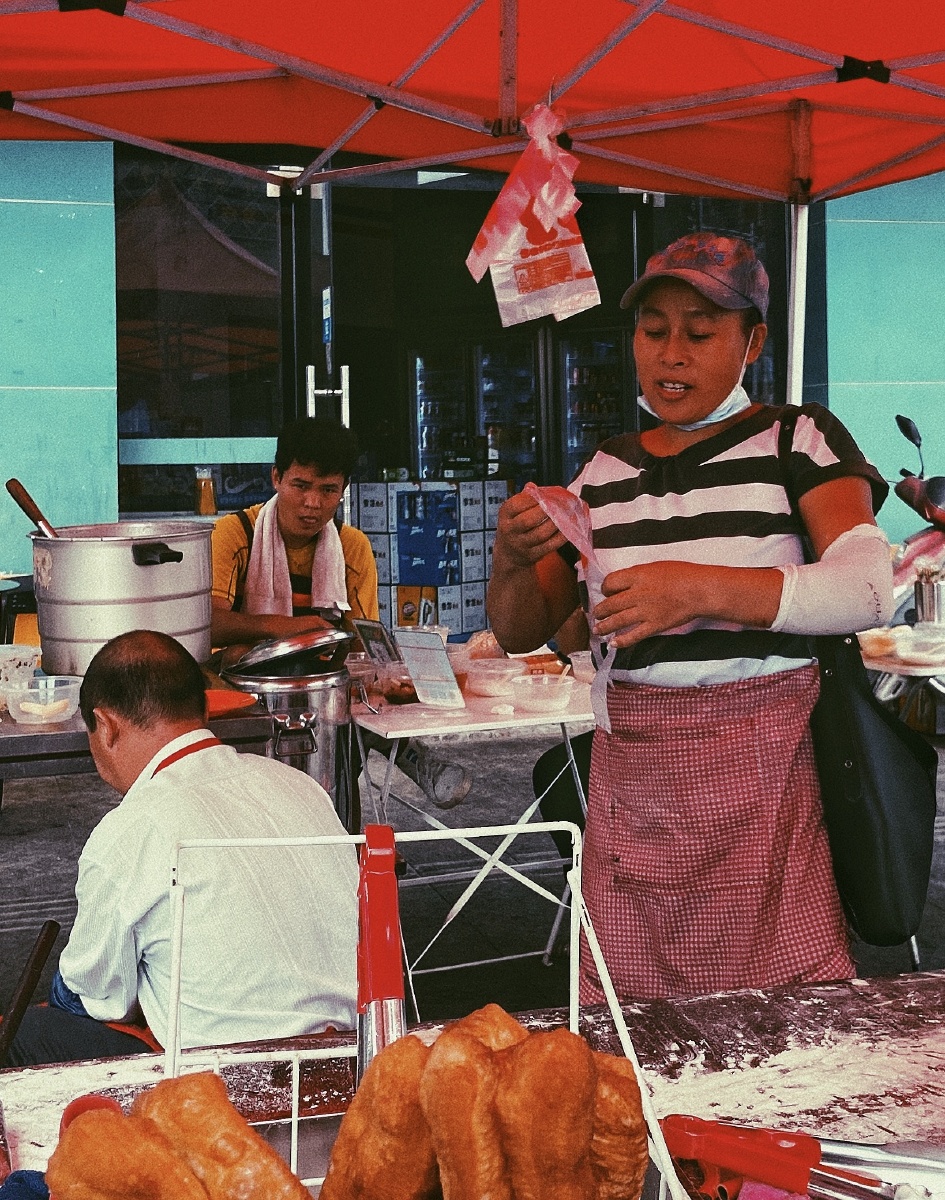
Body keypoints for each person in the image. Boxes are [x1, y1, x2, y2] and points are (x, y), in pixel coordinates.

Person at [488, 231, 894, 1003]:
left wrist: (698, 589)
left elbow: (868, 587)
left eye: (700, 333)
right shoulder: (602, 473)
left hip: (766, 792)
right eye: (652, 331)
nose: (670, 354)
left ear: (753, 342)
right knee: (632, 1023)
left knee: (781, 1021)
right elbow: (521, 629)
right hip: (633, 795)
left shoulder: (795, 438)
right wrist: (510, 556)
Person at [8, 630, 360, 1066]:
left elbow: (99, 996)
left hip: (239, 1078)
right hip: (355, 1052)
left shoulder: (128, 830)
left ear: (106, 725)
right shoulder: (299, 785)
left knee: (23, 1031)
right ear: (207, 709)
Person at [210, 415, 470, 808]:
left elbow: (362, 642)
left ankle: (391, 770)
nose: (312, 503)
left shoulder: (353, 546)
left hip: (323, 695)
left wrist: (388, 673)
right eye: (300, 485)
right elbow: (210, 625)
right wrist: (289, 629)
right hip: (245, 691)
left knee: (350, 695)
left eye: (328, 490)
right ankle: (412, 758)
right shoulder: (235, 534)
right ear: (276, 478)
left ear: (343, 491)